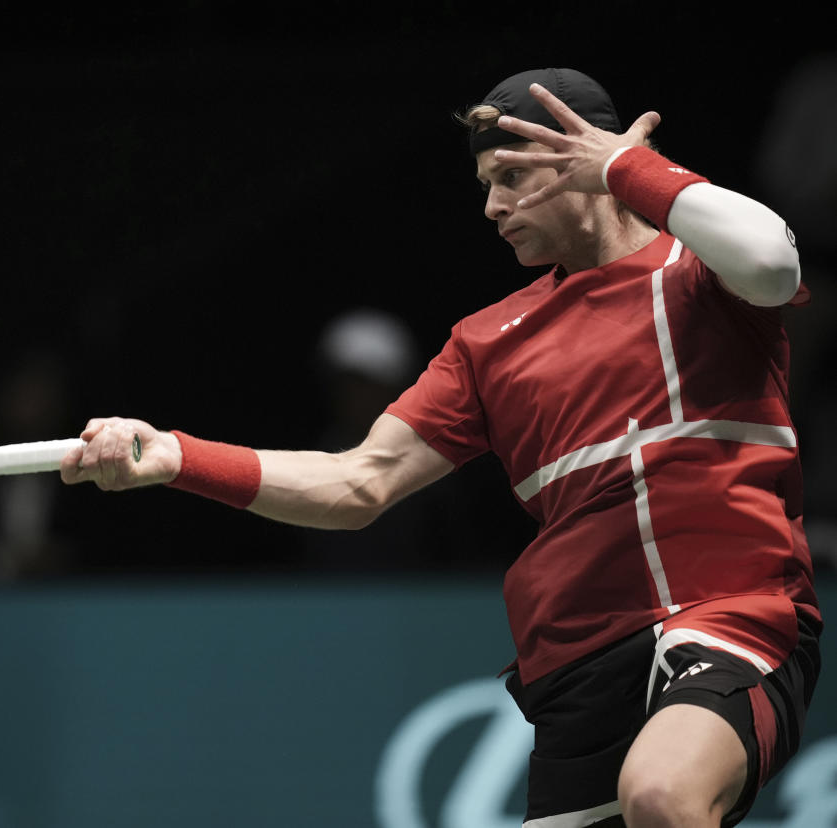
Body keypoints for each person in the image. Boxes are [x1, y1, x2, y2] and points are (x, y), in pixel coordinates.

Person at [59, 69, 822, 827]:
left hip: (728, 615)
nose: (491, 207)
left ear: (581, 158)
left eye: (512, 177)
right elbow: (357, 484)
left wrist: (626, 166)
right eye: (486, 182)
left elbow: (771, 259)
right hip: (580, 659)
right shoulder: (487, 342)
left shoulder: (698, 274)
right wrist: (177, 457)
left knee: (662, 795)